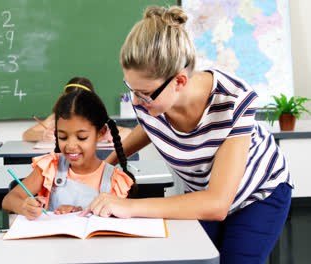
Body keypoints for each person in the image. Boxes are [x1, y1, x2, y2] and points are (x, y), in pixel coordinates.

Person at [81, 6, 292, 264]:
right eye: (131, 88)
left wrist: (128, 207)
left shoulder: (233, 100)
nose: (136, 100)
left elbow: (216, 204)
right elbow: (150, 126)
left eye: (144, 93)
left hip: (257, 193)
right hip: (204, 194)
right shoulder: (149, 97)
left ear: (179, 82)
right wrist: (105, 167)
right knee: (190, 256)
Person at [3, 89, 137, 220]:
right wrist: (24, 206)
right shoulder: (51, 167)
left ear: (101, 133)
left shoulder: (115, 181)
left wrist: (77, 215)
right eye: (62, 137)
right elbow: (9, 200)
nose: (71, 146)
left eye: (82, 137)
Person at [22, 77, 132, 142]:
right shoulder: (57, 118)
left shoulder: (95, 118)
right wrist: (42, 135)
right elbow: (26, 134)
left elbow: (127, 132)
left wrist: (114, 136)